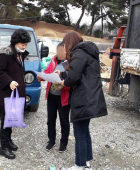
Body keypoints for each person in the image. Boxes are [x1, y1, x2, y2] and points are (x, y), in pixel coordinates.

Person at [58, 31, 108, 170]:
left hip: (83, 98)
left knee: (79, 132)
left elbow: (73, 78)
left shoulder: (78, 53)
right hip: (90, 97)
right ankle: (86, 162)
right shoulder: (87, 52)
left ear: (69, 43)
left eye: (65, 44)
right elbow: (80, 72)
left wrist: (64, 82)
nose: (65, 47)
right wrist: (62, 73)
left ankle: (79, 165)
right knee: (84, 131)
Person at [0, 29, 31, 159]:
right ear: (15, 42)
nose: (24, 46)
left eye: (26, 43)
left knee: (12, 118)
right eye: (22, 43)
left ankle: (8, 140)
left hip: (16, 92)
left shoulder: (20, 54)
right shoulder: (5, 54)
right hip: (6, 92)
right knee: (6, 120)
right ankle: (3, 147)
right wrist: (10, 81)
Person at [37, 42, 71, 152]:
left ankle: (63, 143)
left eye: (62, 50)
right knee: (51, 120)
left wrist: (62, 77)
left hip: (64, 97)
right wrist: (41, 76)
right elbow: (47, 73)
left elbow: (73, 79)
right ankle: (51, 140)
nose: (59, 53)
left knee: (64, 121)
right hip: (52, 95)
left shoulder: (71, 63)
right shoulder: (53, 60)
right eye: (58, 50)